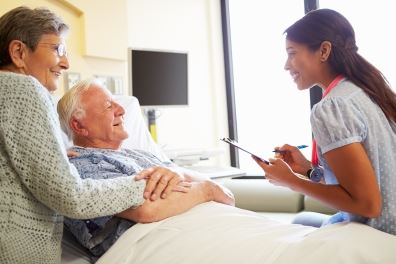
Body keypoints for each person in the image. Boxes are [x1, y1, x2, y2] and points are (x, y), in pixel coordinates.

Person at [0, 6, 204, 263]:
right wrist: (151, 184)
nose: (65, 62)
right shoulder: (25, 89)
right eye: (57, 49)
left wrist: (48, 152)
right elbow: (71, 197)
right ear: (18, 52)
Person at [253, 8, 396, 235]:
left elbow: (367, 205)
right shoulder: (369, 91)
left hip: (378, 234)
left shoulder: (331, 107)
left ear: (324, 51)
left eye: (292, 53)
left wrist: (291, 181)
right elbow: (364, 180)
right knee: (303, 219)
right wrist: (309, 172)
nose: (286, 65)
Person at [56, 79, 235, 258]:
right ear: (79, 125)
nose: (122, 110)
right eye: (108, 106)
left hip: (215, 228)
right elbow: (148, 209)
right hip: (165, 245)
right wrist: (206, 191)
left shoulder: (140, 154)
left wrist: (179, 173)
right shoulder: (79, 166)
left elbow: (227, 197)